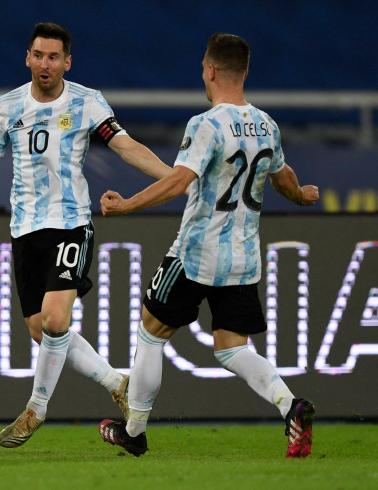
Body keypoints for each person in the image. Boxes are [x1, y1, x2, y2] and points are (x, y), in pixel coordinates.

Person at [0, 22, 173, 448]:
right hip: (26, 230)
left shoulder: (87, 102)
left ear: (67, 62)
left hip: (71, 224)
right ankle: (117, 381)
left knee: (54, 318)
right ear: (27, 58)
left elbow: (126, 146)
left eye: (53, 57)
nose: (44, 64)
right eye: (38, 55)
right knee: (39, 329)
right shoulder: (8, 107)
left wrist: (177, 178)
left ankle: (36, 409)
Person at [97, 32, 319, 458]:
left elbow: (181, 179)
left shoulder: (206, 124)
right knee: (231, 346)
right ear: (246, 72)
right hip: (242, 257)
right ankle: (290, 405)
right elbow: (284, 175)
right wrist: (302, 197)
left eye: (203, 67)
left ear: (212, 70)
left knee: (151, 331)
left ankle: (135, 430)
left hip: (195, 252)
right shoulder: (266, 125)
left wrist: (126, 205)